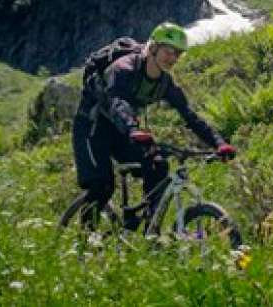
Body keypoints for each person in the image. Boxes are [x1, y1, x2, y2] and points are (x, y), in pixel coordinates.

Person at [73, 23, 236, 223]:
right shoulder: (123, 68)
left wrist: (219, 143)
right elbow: (117, 102)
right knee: (102, 186)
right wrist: (133, 128)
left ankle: (151, 226)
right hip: (92, 127)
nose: (173, 59)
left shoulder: (166, 84)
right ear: (153, 48)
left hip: (123, 130)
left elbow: (190, 116)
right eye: (168, 52)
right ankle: (86, 242)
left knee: (157, 165)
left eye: (178, 54)